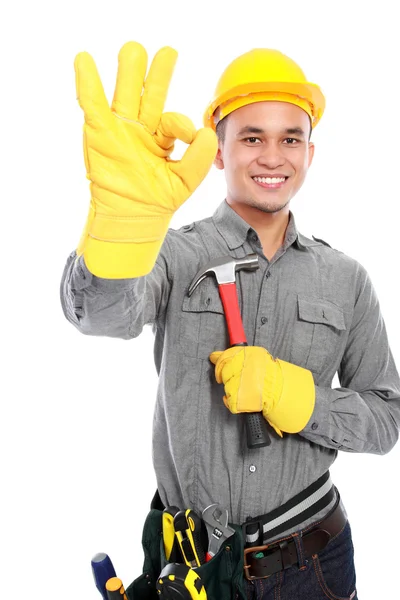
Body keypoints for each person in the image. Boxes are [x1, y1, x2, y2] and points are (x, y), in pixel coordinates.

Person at [60, 41, 400, 600]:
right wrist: (117, 231)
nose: (273, 156)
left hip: (314, 563)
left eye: (290, 138)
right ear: (219, 151)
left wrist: (294, 396)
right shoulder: (170, 254)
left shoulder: (346, 278)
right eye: (251, 137)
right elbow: (99, 316)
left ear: (310, 152)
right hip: (196, 566)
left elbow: (386, 419)